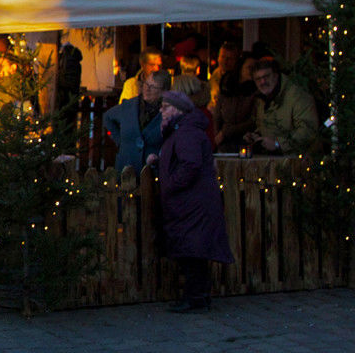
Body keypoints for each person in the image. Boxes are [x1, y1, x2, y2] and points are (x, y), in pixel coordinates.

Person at [150, 77, 232, 310]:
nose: (162, 112)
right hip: (190, 203)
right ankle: (198, 296)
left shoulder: (185, 132)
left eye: (165, 107)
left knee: (193, 252)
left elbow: (190, 165)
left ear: (177, 109)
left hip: (192, 203)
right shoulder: (182, 131)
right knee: (193, 251)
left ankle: (194, 298)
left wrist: (169, 185)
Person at [247, 55, 321, 156]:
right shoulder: (262, 99)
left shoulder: (297, 96)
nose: (262, 82)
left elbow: (307, 130)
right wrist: (257, 136)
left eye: (266, 76)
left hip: (299, 161)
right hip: (275, 161)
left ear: (276, 75)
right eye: (258, 79)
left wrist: (278, 144)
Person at [105, 71, 169, 173]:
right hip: (126, 170)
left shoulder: (168, 112)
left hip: (153, 173)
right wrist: (119, 140)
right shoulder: (129, 107)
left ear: (163, 91)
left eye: (153, 87)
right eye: (146, 84)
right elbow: (108, 117)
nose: (147, 89)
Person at [211, 40, 257, 152]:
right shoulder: (226, 85)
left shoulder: (255, 93)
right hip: (223, 145)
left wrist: (226, 132)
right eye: (250, 68)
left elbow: (253, 120)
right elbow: (217, 114)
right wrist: (218, 136)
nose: (253, 72)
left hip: (244, 145)